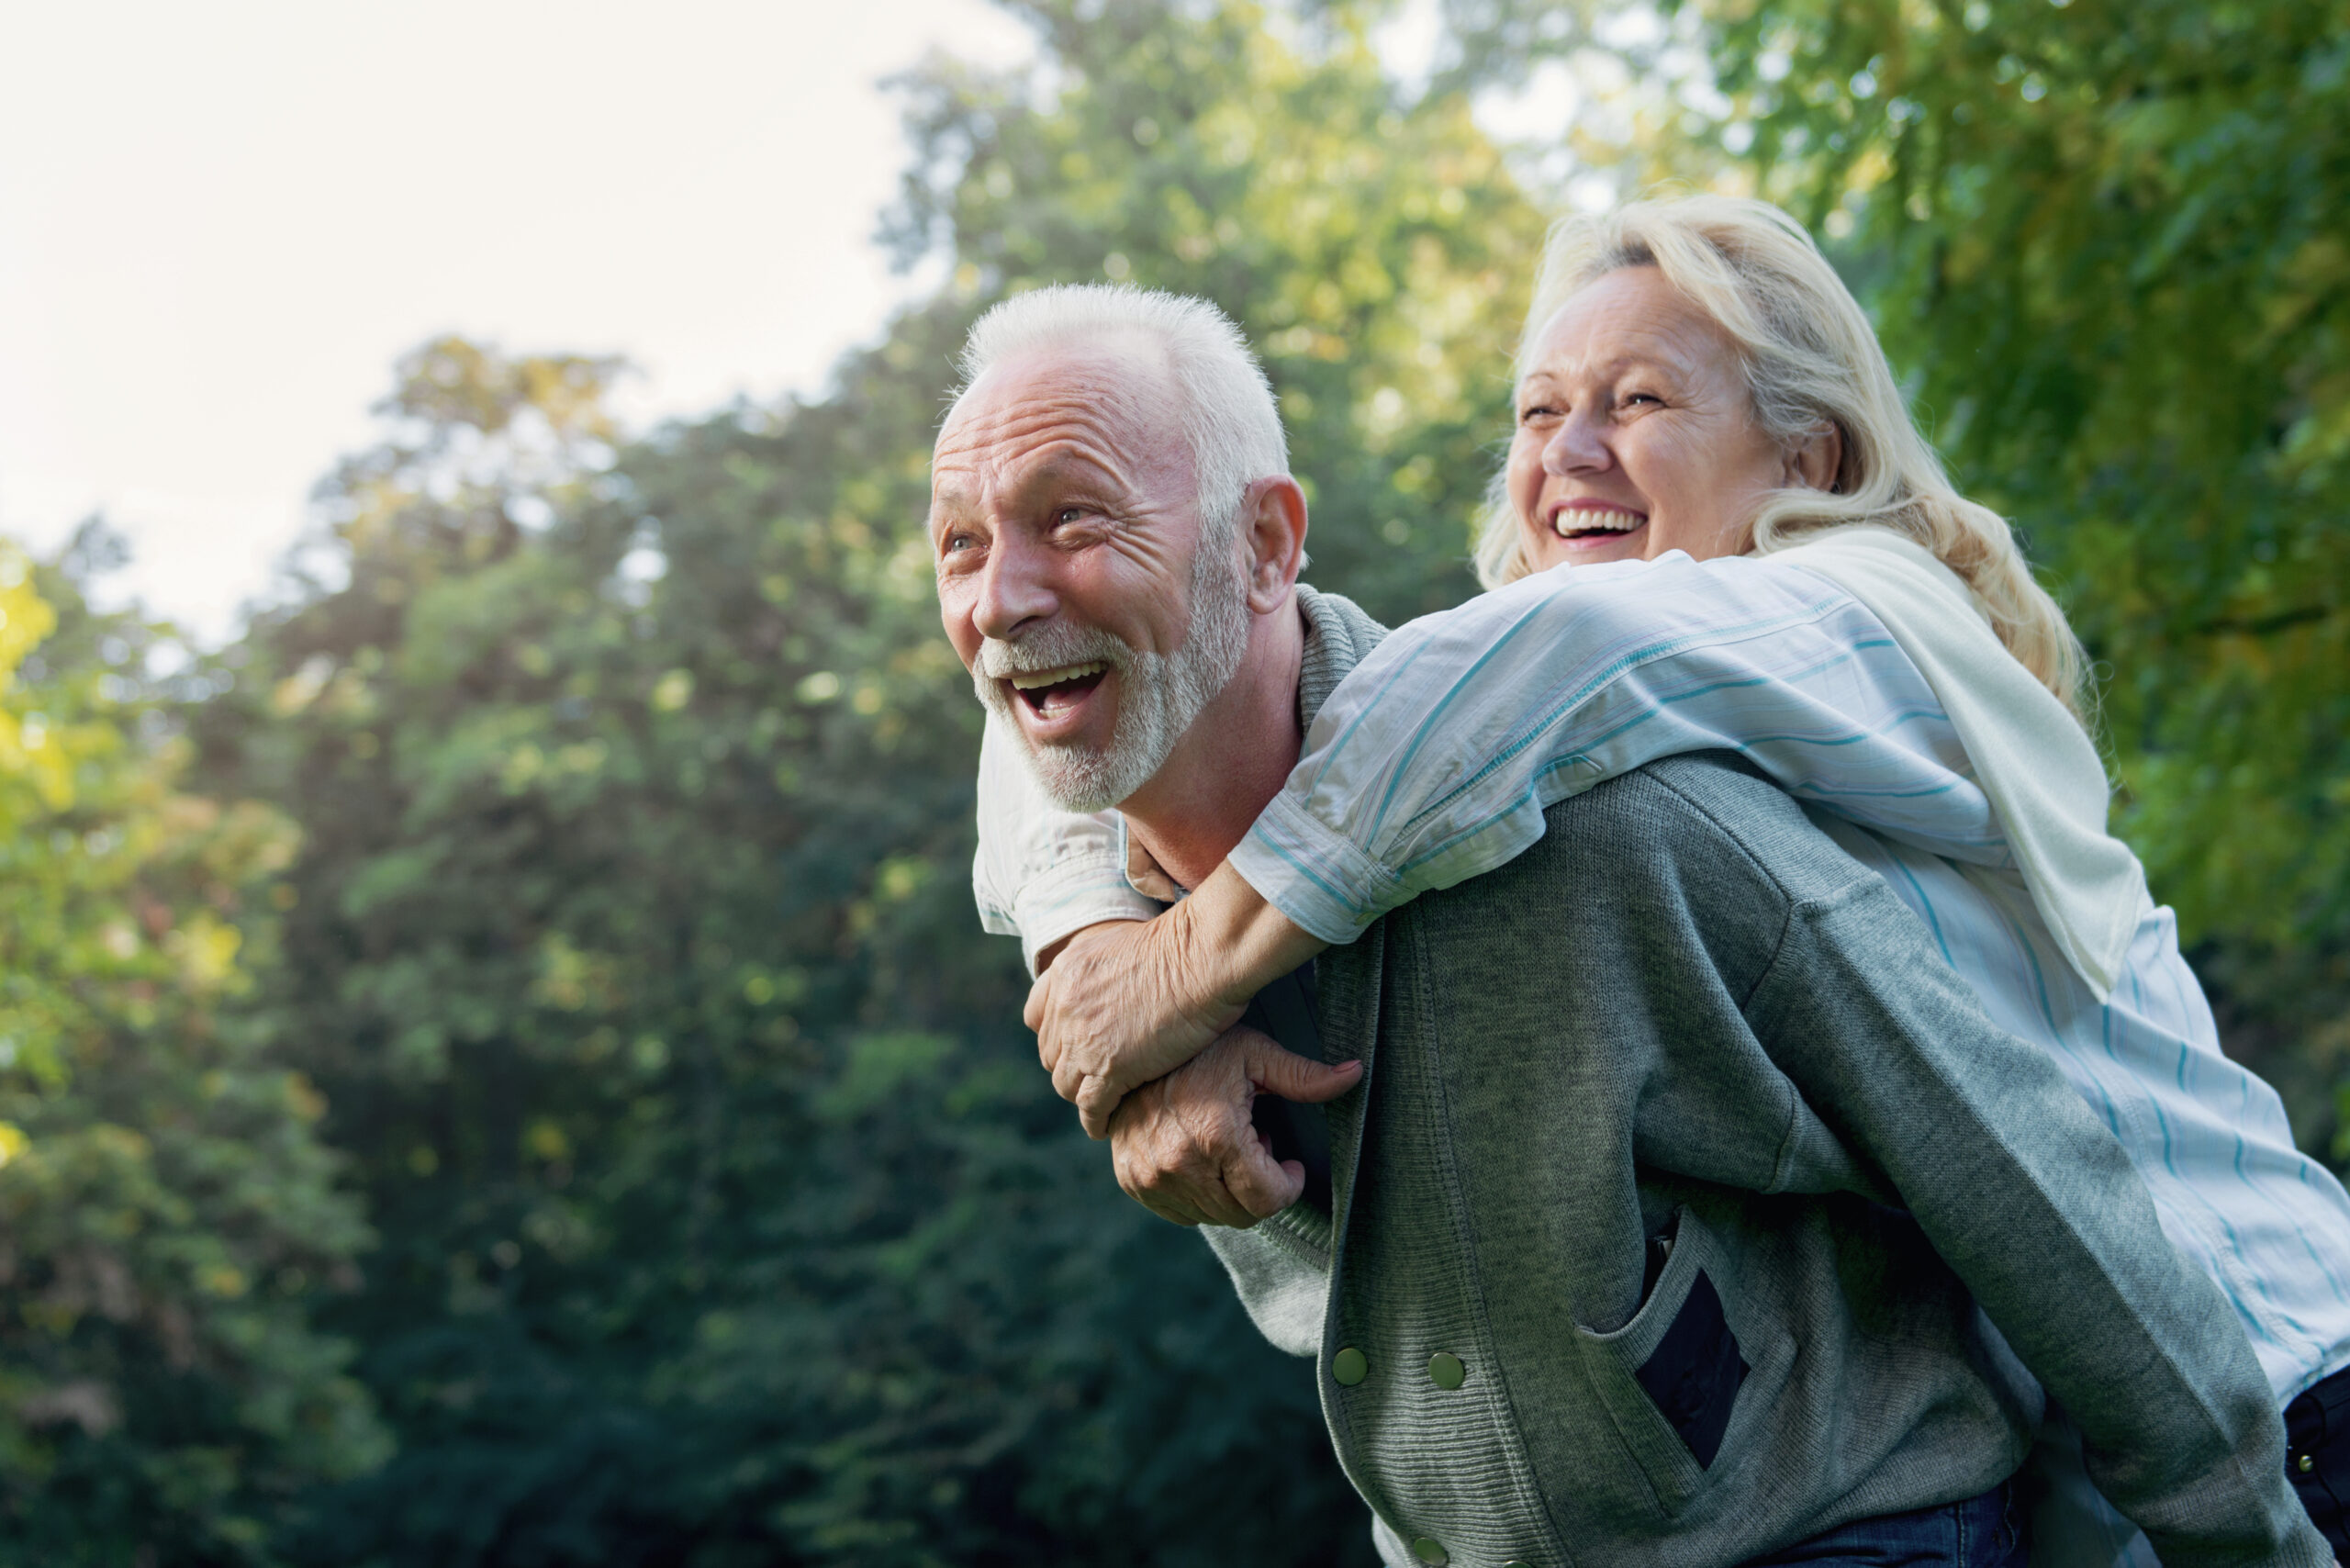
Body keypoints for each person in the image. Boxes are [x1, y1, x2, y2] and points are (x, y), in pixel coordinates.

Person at [989, 199, 2350, 1563]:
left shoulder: (1864, 610)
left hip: (2270, 1372)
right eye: (1534, 414)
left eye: (1635, 402)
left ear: (1805, 453)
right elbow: (1053, 710)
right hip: (2098, 1431)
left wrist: (1177, 978)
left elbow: (1534, 655)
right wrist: (1092, 937)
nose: (1569, 453)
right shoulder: (1538, 735)